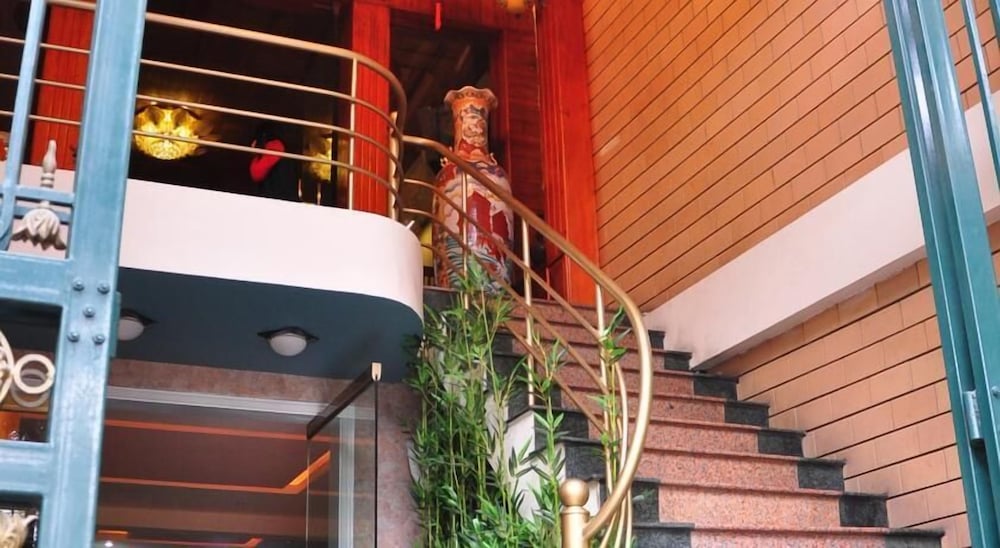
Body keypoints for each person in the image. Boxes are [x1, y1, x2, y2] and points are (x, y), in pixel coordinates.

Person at [249, 123, 299, 202]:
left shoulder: (274, 148)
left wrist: (256, 154)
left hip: (276, 201)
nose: (252, 144)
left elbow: (257, 173)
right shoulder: (280, 149)